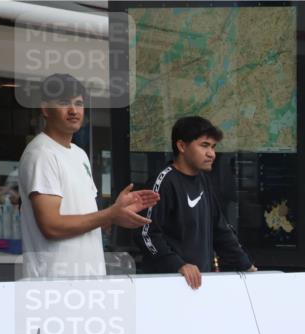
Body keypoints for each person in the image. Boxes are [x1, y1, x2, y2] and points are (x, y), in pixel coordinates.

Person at [19, 73, 159, 278]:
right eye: (64, 103)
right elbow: (51, 226)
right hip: (53, 283)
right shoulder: (41, 153)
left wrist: (117, 215)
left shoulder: (79, 154)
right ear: (46, 109)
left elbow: (86, 218)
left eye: (79, 103)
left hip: (87, 280)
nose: (73, 110)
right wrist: (110, 213)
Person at [141, 116, 256, 289]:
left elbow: (220, 230)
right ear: (181, 146)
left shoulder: (203, 180)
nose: (211, 154)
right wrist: (178, 265)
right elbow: (146, 233)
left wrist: (246, 266)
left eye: (213, 147)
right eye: (204, 145)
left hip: (200, 286)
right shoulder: (163, 181)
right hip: (167, 286)